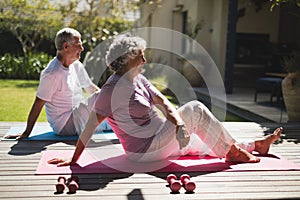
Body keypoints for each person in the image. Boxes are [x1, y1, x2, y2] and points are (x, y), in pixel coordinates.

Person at [48, 34, 282, 167]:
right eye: (140, 55)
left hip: (162, 137)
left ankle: (255, 145)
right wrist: (74, 158)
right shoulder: (111, 91)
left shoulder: (138, 78)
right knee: (196, 109)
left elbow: (163, 102)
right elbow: (90, 127)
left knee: (203, 142)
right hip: (144, 150)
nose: (145, 59)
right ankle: (232, 152)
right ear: (128, 59)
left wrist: (179, 124)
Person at [5, 27, 110, 140]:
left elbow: (90, 88)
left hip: (79, 117)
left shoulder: (76, 64)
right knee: (109, 91)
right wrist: (26, 132)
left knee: (112, 120)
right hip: (65, 125)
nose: (82, 48)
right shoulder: (52, 74)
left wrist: (105, 102)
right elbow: (38, 103)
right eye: (78, 44)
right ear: (65, 46)